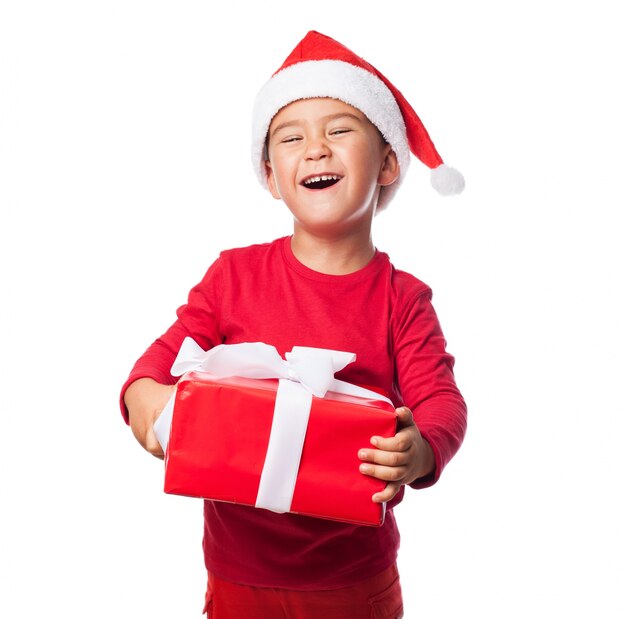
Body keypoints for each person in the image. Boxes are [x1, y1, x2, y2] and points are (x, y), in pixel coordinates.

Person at [120, 31, 467, 619]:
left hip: (356, 583)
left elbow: (441, 400)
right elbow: (153, 366)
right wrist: (146, 397)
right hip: (236, 576)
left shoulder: (402, 299)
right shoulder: (233, 276)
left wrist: (422, 449)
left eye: (339, 130)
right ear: (272, 175)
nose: (315, 149)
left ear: (387, 163)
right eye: (291, 137)